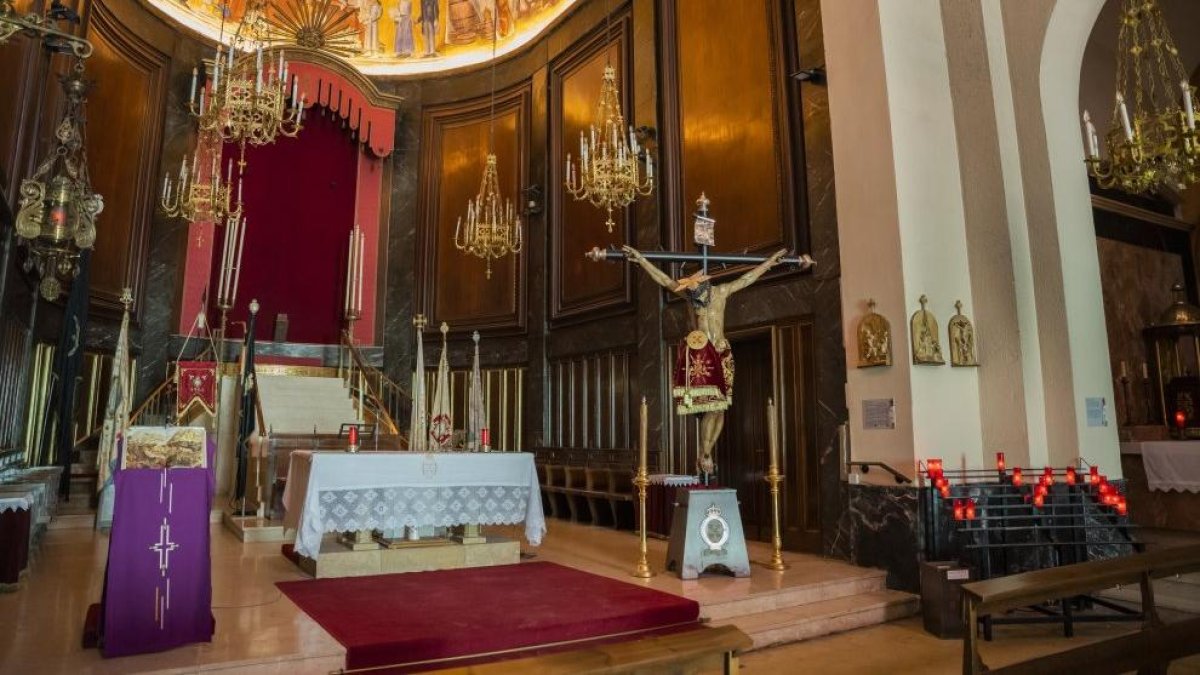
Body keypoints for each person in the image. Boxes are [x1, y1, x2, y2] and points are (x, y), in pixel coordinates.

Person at [622, 244, 787, 478]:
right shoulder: (689, 297)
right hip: (701, 357)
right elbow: (663, 279)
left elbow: (748, 277)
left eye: (700, 301)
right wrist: (641, 260)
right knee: (712, 405)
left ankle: (704, 452)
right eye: (694, 302)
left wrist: (770, 262)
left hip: (721, 354)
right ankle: (705, 454)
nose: (696, 305)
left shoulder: (721, 292)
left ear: (707, 290)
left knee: (721, 408)